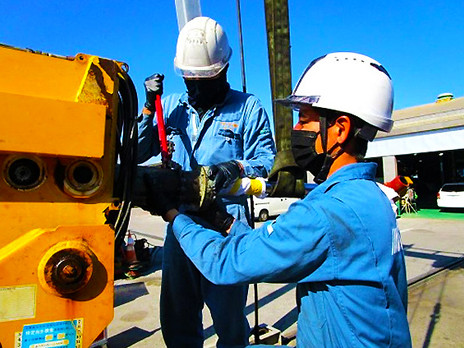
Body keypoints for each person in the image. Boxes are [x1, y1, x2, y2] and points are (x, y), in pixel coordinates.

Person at [156, 52, 412, 347]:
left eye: (304, 120)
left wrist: (176, 217)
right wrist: (224, 220)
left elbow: (228, 262)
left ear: (339, 129)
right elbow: (273, 246)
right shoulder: (374, 198)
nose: (296, 131)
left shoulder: (326, 214)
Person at [137, 17, 276, 348]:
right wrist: (146, 110)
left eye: (205, 78)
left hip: (224, 228)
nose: (196, 87)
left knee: (229, 321)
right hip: (181, 226)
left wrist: (235, 167)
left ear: (223, 68)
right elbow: (139, 151)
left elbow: (267, 163)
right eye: (189, 79)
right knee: (178, 319)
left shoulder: (247, 108)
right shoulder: (170, 107)